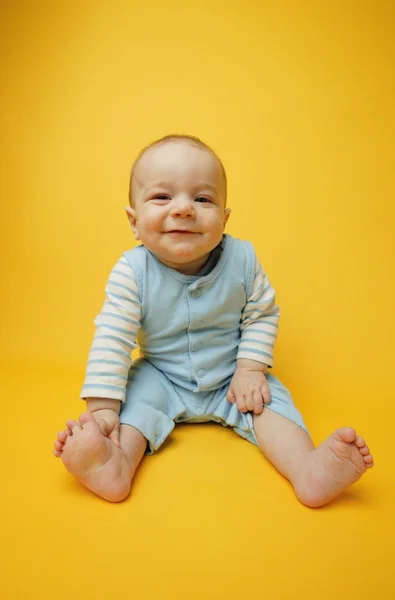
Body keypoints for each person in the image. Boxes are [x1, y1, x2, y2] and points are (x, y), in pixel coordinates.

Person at [53, 134, 374, 506]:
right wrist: (103, 410)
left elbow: (261, 314)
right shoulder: (131, 272)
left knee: (271, 404)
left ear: (224, 218)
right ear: (134, 220)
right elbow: (113, 338)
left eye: (202, 199)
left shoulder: (243, 259)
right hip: (162, 375)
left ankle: (307, 469)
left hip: (232, 376)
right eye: (162, 196)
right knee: (136, 405)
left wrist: (250, 368)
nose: (184, 209)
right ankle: (114, 464)